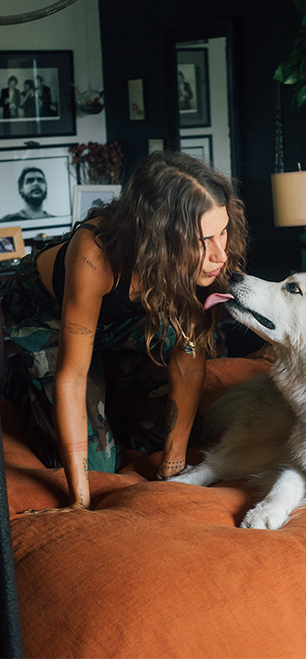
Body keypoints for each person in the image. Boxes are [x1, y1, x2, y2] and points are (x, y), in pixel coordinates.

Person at [0, 151, 248, 512]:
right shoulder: (93, 256)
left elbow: (188, 362)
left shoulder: (204, 263)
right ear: (161, 238)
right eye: (201, 240)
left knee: (176, 432)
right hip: (47, 315)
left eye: (222, 231)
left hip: (123, 320)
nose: (220, 254)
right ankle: (28, 385)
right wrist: (79, 503)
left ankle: (111, 379)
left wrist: (171, 471)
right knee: (98, 470)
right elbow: (73, 377)